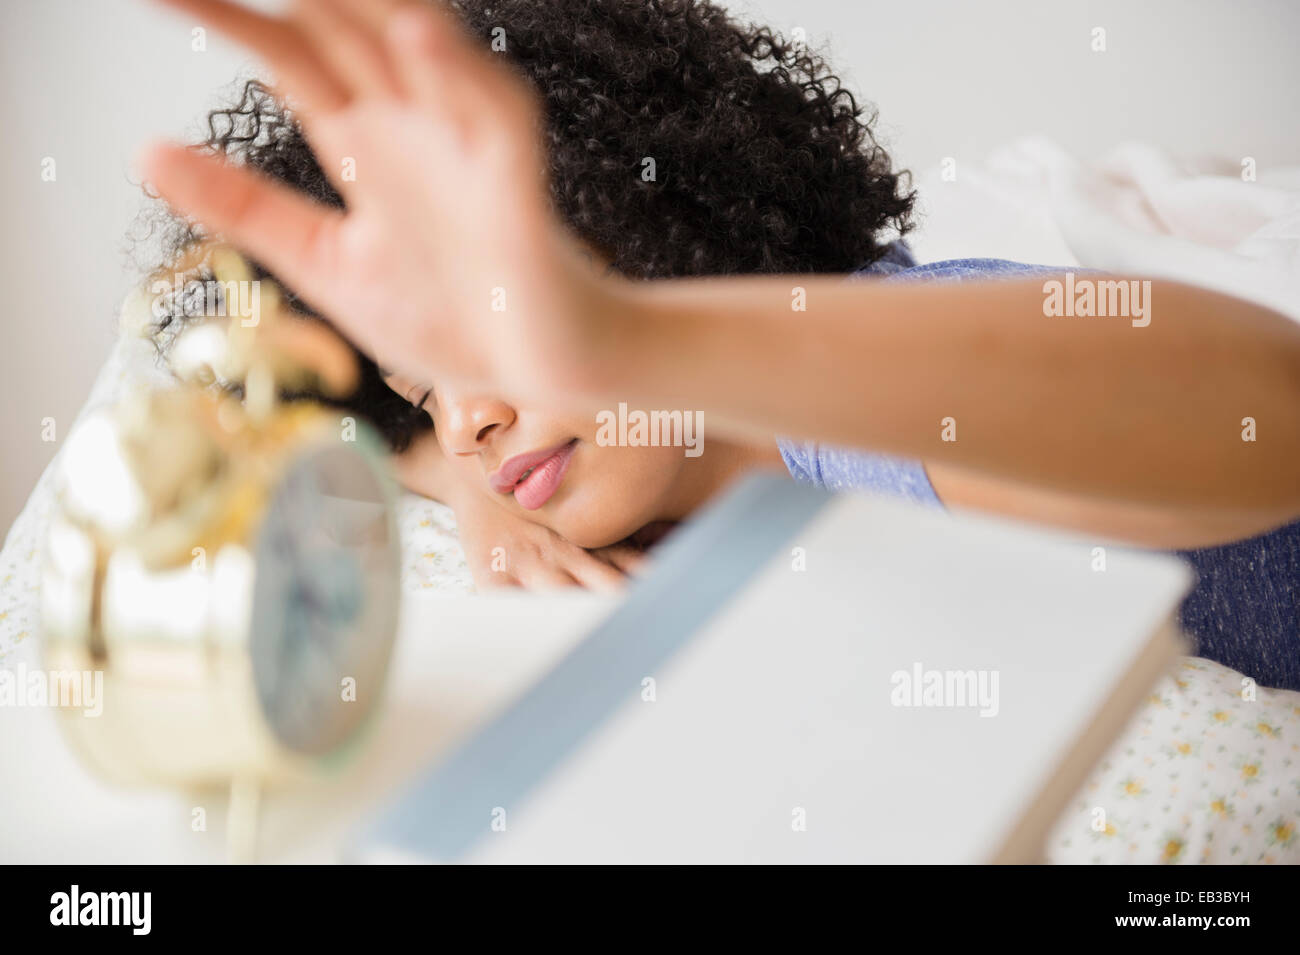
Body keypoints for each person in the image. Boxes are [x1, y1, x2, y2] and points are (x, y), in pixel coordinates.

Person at [142, 0, 1300, 688]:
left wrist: (616, 346)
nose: (465, 420)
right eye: (423, 390)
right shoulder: (624, 461)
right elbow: (339, 425)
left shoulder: (870, 408)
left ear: (653, 230)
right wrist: (481, 486)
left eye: (488, 343)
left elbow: (1274, 417)